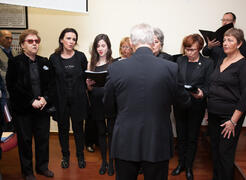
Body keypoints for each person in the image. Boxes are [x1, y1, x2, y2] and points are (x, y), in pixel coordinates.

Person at [103, 23, 191, 180]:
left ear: (131, 42)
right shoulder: (170, 68)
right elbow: (184, 102)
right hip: (158, 138)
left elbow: (108, 105)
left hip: (125, 138)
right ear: (153, 41)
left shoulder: (116, 68)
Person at [6, 29, 54, 180]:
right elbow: (12, 86)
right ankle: (27, 172)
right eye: (30, 41)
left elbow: (51, 84)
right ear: (22, 45)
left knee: (43, 140)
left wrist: (45, 98)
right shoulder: (15, 62)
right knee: (25, 142)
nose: (34, 44)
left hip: (42, 108)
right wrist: (30, 101)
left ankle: (42, 167)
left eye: (36, 41)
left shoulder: (44, 62)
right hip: (23, 110)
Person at [207, 28, 246, 180]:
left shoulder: (244, 66)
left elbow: (245, 97)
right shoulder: (222, 60)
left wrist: (233, 121)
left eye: (230, 40)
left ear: (239, 44)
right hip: (213, 114)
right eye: (225, 40)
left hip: (229, 118)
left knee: (225, 153)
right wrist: (209, 110)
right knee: (214, 151)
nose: (225, 43)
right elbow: (214, 87)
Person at [171, 34, 213, 180]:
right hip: (180, 104)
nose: (189, 52)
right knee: (181, 136)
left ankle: (189, 166)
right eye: (187, 49)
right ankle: (181, 164)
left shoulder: (207, 63)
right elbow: (175, 82)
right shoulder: (179, 60)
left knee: (192, 137)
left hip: (197, 105)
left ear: (199, 48)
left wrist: (202, 93)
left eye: (192, 50)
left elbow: (209, 85)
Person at [49, 28, 88, 169]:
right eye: (68, 38)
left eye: (74, 39)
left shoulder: (81, 57)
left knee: (78, 130)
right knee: (63, 130)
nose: (71, 42)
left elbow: (86, 77)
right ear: (61, 39)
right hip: (61, 101)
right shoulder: (53, 58)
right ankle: (65, 156)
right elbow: (51, 82)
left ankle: (80, 157)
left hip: (78, 100)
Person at [86, 34, 115, 176]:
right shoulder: (91, 63)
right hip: (96, 101)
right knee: (101, 133)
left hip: (110, 103)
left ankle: (112, 162)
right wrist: (88, 85)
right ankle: (104, 161)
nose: (100, 48)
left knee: (112, 132)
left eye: (103, 45)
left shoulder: (114, 63)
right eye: (98, 46)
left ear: (108, 47)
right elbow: (90, 89)